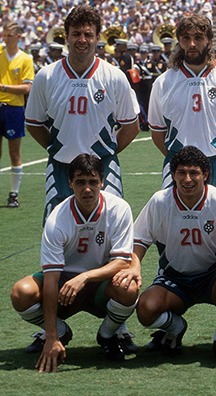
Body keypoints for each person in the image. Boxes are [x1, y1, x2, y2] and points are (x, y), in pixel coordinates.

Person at [113, 146, 216, 362]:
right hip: (175, 277)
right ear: (173, 175)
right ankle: (175, 328)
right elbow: (140, 239)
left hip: (212, 277)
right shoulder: (160, 201)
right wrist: (134, 266)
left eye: (194, 172)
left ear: (205, 174)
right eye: (181, 173)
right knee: (146, 309)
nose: (188, 179)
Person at [10, 154, 139, 372]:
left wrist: (85, 277)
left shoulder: (119, 208)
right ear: (70, 183)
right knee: (21, 292)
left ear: (102, 182)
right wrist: (51, 336)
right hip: (63, 285)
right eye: (80, 182)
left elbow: (121, 262)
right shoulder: (57, 218)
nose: (87, 189)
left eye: (93, 181)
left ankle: (108, 335)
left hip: (99, 284)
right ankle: (59, 333)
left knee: (129, 288)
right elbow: (51, 280)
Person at [25, 5, 139, 220]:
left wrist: (108, 150)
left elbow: (131, 126)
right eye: (76, 34)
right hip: (61, 168)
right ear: (66, 37)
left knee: (110, 232)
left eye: (88, 34)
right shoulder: (46, 77)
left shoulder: (114, 76)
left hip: (103, 166)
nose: (82, 40)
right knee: (58, 234)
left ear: (97, 38)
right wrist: (58, 147)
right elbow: (33, 123)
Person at [148, 14, 216, 216]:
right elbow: (157, 132)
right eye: (186, 38)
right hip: (178, 166)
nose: (192, 44)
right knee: (173, 226)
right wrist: (180, 160)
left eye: (198, 37)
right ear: (179, 41)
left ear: (209, 40)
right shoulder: (163, 82)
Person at [0, 22, 34, 207]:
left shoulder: (25, 59)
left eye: (9, 35)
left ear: (18, 37)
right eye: (4, 35)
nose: (6, 39)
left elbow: (27, 87)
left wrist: (4, 87)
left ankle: (14, 194)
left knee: (14, 152)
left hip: (14, 109)